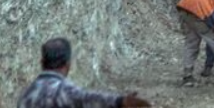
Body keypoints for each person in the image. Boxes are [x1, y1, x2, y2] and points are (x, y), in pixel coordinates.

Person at [17, 38, 151, 108]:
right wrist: (120, 101)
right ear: (68, 65)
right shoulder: (61, 90)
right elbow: (86, 98)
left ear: (42, 62)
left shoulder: (25, 93)